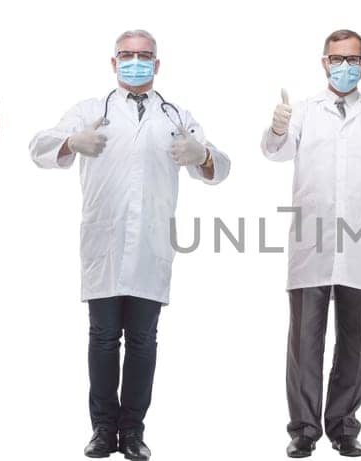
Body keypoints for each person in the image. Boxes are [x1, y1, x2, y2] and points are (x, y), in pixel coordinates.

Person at [28, 29, 230, 461]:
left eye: (144, 56)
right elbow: (38, 147)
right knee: (102, 338)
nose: (135, 61)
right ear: (113, 61)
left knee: (142, 341)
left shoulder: (176, 115)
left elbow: (220, 166)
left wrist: (204, 156)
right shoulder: (89, 111)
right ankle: (102, 432)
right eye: (127, 54)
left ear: (157, 65)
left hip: (150, 245)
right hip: (104, 241)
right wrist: (70, 142)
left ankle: (133, 433)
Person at [261, 28, 361, 459]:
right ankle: (303, 429)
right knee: (304, 343)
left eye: (353, 60)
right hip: (310, 245)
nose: (345, 67)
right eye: (337, 59)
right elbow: (275, 153)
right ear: (324, 62)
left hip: (360, 246)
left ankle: (343, 425)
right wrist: (276, 129)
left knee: (355, 342)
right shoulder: (302, 111)